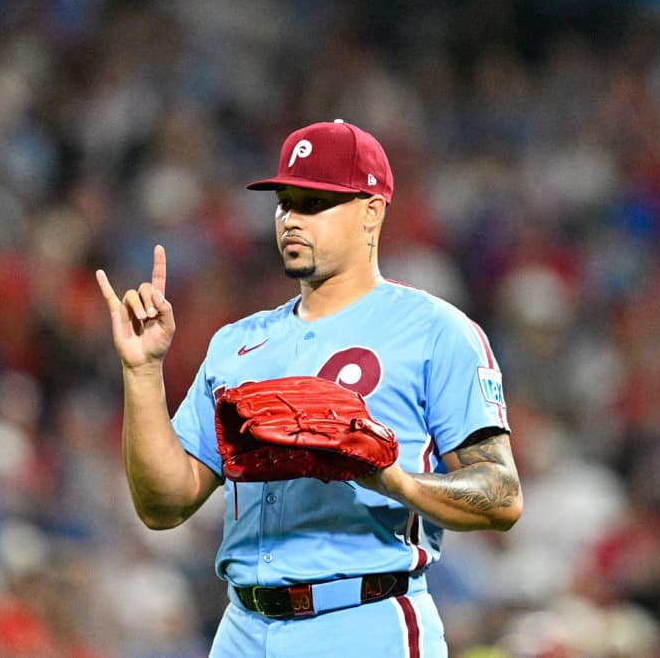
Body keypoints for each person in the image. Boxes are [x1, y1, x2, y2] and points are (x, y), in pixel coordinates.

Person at [95, 119, 523, 657]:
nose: (291, 220)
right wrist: (142, 371)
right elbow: (164, 506)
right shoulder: (238, 343)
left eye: (315, 203)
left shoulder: (436, 331)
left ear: (372, 211)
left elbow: (502, 495)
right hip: (243, 629)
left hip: (365, 620)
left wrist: (394, 482)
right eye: (285, 203)